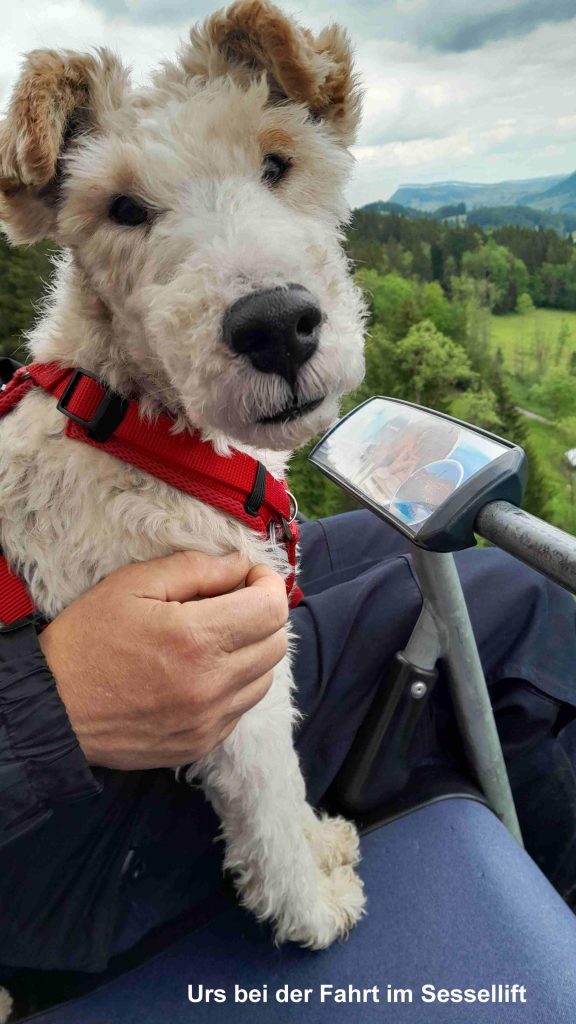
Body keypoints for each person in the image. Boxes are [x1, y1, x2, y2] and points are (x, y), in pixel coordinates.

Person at [1, 510, 576, 1008]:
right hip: (43, 838)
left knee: (402, 538)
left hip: (39, 608)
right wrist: (47, 712)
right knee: (516, 601)